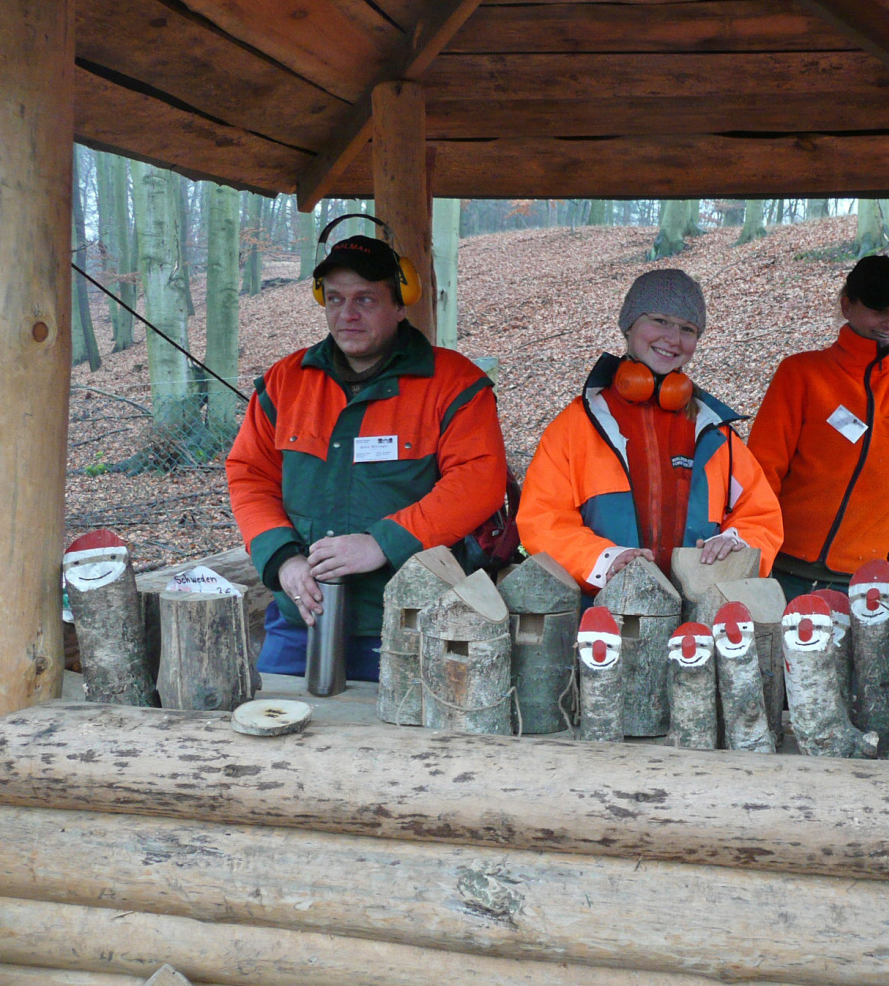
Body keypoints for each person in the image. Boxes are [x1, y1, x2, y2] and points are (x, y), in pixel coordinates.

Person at [226, 230, 507, 679]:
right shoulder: (286, 380)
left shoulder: (454, 383)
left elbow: (479, 480)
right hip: (302, 615)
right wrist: (283, 559)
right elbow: (249, 474)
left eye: (366, 300)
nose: (347, 314)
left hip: (412, 620)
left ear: (400, 305)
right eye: (335, 299)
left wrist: (382, 542)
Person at [518, 269, 783, 594]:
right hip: (599, 619)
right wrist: (603, 561)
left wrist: (736, 543)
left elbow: (761, 516)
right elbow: (542, 519)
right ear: (629, 324)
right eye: (659, 320)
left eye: (687, 328)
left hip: (696, 623)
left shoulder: (715, 433)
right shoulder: (577, 425)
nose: (673, 338)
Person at [748, 254, 889, 599]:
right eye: (877, 309)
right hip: (780, 569)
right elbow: (761, 472)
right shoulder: (800, 374)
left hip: (862, 583)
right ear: (846, 306)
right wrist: (756, 557)